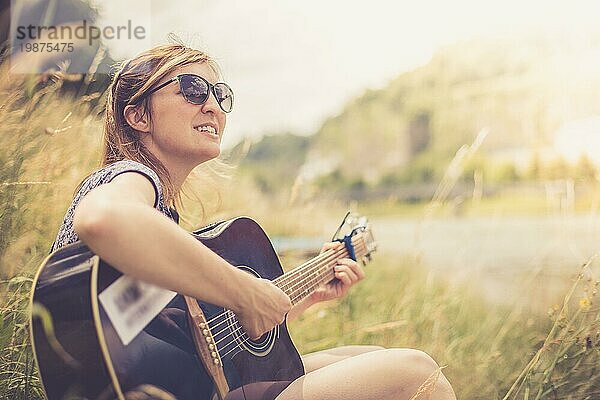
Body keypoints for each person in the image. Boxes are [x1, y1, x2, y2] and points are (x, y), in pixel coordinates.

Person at [51, 39, 457, 400]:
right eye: (192, 91)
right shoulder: (132, 177)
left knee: (372, 358)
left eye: (220, 94)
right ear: (138, 116)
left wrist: (302, 296)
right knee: (418, 373)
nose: (213, 105)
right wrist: (247, 292)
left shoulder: (162, 221)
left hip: (199, 384)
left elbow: (208, 342)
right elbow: (103, 219)